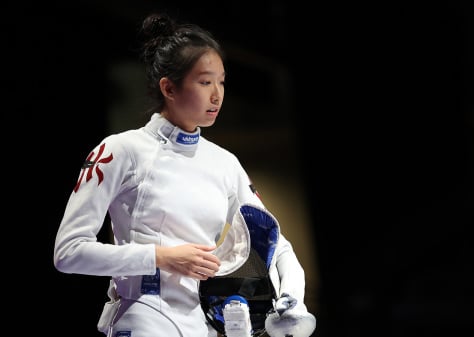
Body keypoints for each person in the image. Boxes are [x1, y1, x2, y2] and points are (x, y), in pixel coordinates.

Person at [53, 12, 314, 337]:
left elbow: (276, 244)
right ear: (169, 88)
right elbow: (69, 252)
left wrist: (293, 297)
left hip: (201, 323)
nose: (217, 94)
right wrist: (161, 257)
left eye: (221, 81)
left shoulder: (224, 163)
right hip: (142, 317)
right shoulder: (123, 150)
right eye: (205, 82)